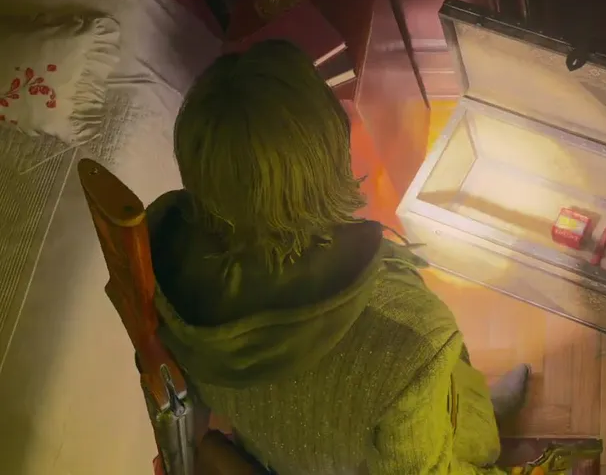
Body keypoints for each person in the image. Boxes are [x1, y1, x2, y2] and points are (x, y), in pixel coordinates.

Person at [146, 39, 530, 474]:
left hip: (284, 452)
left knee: (452, 391)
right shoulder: (407, 330)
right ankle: (479, 434)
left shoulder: (164, 266)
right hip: (369, 455)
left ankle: (478, 410)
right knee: (458, 424)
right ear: (328, 154)